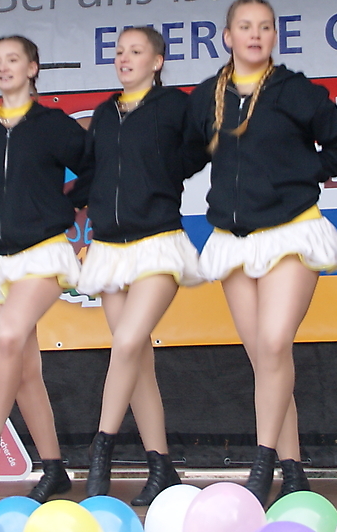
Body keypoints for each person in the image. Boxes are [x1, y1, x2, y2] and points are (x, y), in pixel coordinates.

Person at [185, 0, 337, 505]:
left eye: (264, 27)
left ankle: (261, 464)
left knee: (274, 342)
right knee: (264, 358)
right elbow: (183, 157)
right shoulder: (207, 97)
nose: (255, 34)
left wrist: (299, 176)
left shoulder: (295, 91)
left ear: (274, 36)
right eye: (245, 26)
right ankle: (294, 468)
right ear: (227, 36)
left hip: (291, 233)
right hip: (233, 240)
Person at [76, 26, 209, 504]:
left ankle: (101, 450)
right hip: (109, 249)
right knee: (137, 362)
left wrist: (163, 174)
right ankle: (161, 467)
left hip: (157, 243)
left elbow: (201, 148)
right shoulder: (104, 113)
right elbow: (90, 173)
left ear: (157, 61)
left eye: (135, 51)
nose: (124, 58)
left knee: (128, 341)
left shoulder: (175, 106)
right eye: (119, 52)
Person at [0, 35, 89, 501]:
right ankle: (54, 468)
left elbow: (95, 165)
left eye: (13, 59)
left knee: (7, 338)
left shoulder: (53, 125)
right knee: (24, 370)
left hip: (43, 252)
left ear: (33, 68)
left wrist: (68, 203)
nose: (3, 67)